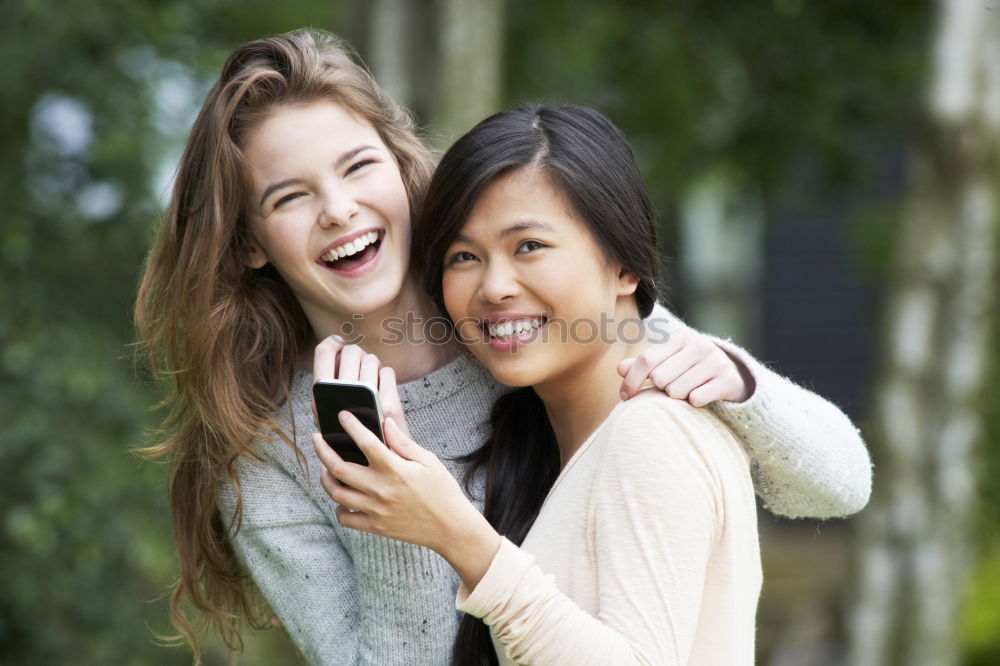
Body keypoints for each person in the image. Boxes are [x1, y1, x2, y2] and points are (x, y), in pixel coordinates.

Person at [134, 29, 870, 665]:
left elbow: (838, 484)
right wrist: (391, 515)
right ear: (250, 244)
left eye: (359, 167)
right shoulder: (265, 456)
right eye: (289, 197)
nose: (338, 210)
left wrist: (740, 379)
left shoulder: (530, 321)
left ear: (401, 170)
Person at [313, 104, 760, 665]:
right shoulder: (558, 446)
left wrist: (460, 537)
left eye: (529, 246)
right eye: (464, 256)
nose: (495, 286)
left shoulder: (653, 432)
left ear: (624, 264)